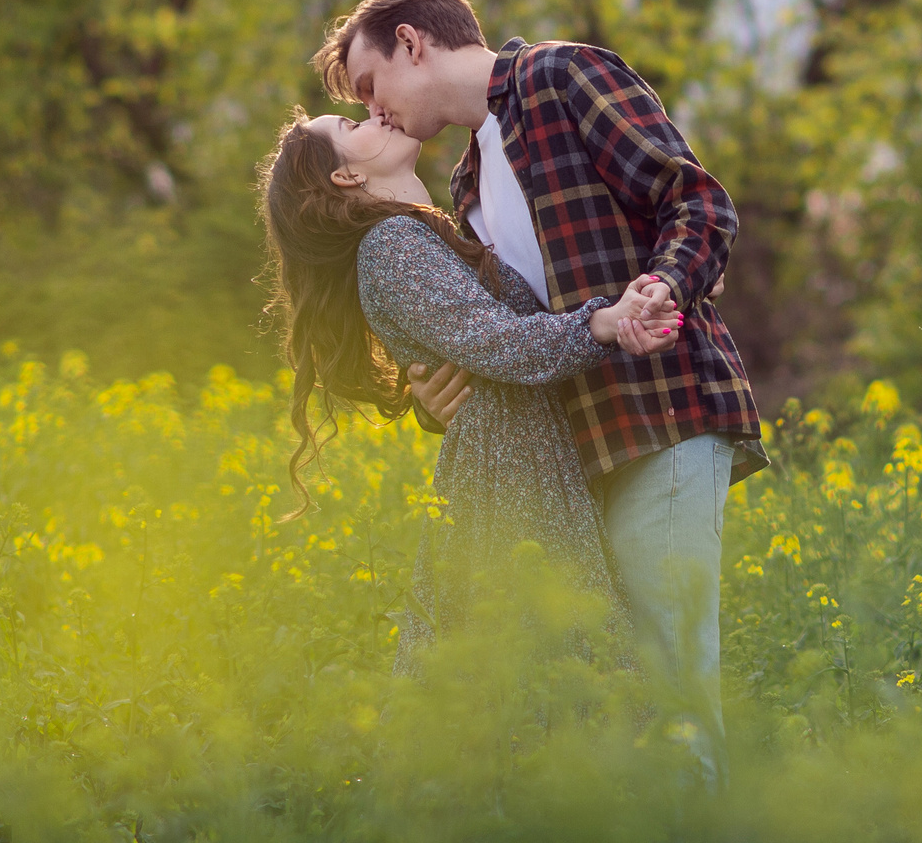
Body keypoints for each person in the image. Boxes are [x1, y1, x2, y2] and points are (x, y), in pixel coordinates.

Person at [313, 0, 767, 776]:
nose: (372, 110)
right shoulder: (464, 184)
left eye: (371, 85)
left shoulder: (563, 77)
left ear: (412, 43)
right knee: (611, 712)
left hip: (657, 418)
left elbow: (697, 203)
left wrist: (659, 287)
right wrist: (431, 395)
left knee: (668, 691)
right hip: (570, 460)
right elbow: (499, 340)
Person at [258, 107, 684, 672]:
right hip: (506, 467)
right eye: (350, 126)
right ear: (346, 176)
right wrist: (602, 323)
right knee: (557, 665)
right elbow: (496, 343)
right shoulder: (389, 245)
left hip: (522, 454)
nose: (374, 117)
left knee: (554, 665)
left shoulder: (424, 233)